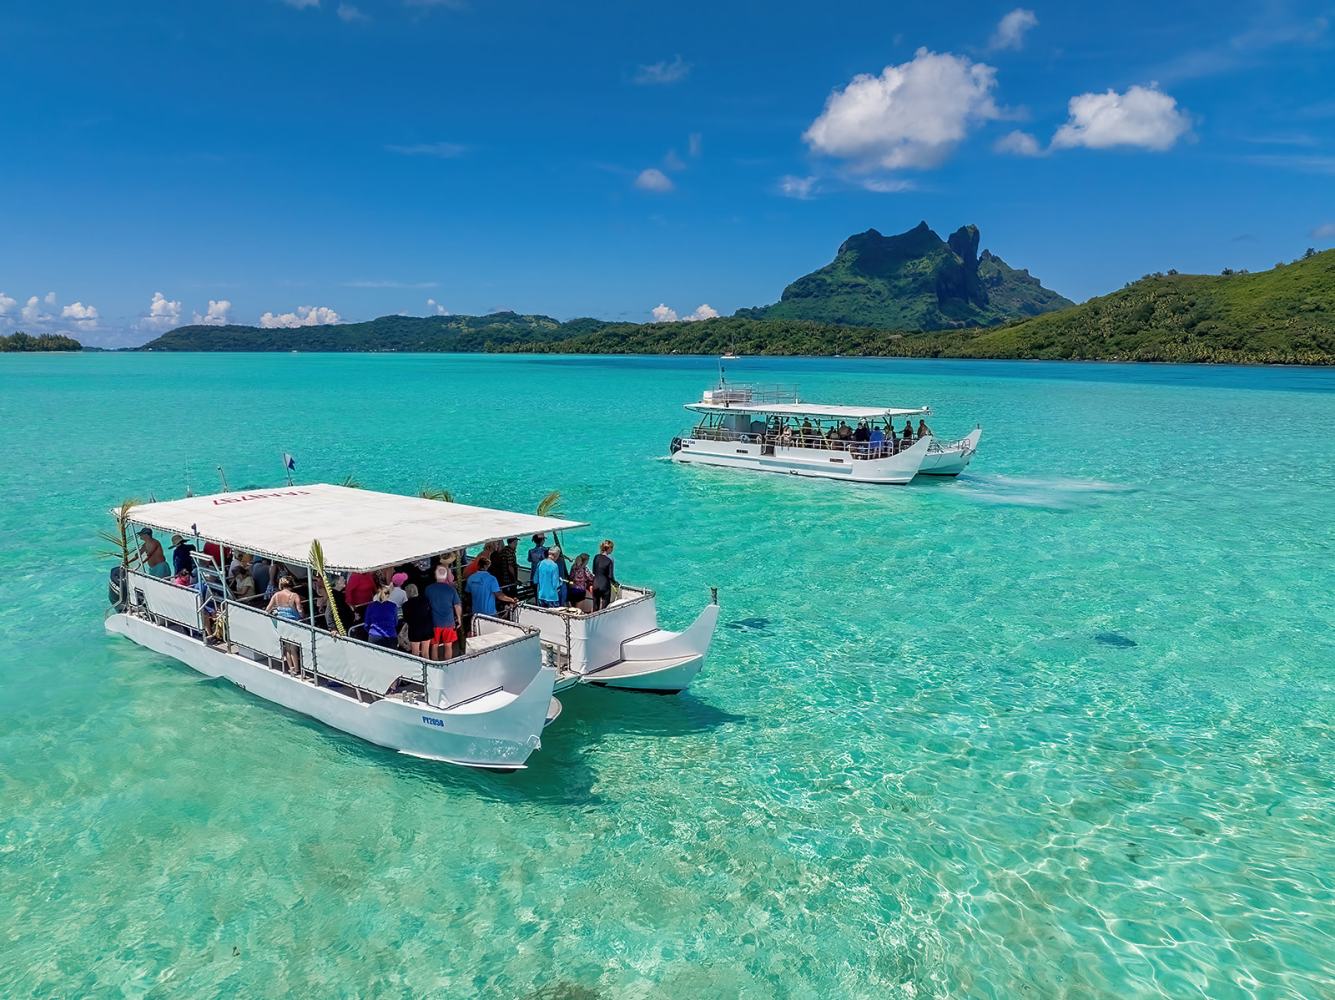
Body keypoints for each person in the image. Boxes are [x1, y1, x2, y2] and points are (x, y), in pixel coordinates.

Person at [425, 565, 462, 660]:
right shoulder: (451, 589)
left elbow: (426, 605)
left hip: (434, 622)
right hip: (449, 622)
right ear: (445, 576)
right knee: (448, 645)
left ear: (435, 575)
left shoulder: (429, 589)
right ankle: (447, 664)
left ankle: (435, 666)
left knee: (434, 646)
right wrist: (459, 618)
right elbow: (457, 606)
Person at [401, 583, 434, 658]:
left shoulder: (406, 605)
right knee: (425, 652)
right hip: (427, 628)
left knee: (415, 653)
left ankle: (417, 669)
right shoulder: (425, 600)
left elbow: (406, 619)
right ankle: (428, 668)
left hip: (415, 630)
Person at [364, 584, 400, 649]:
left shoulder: (370, 606)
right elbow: (395, 623)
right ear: (388, 595)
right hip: (390, 635)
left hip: (374, 635)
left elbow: (366, 624)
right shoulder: (393, 606)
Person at [592, 539, 618, 612]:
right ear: (608, 549)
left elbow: (594, 571)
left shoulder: (596, 557)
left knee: (595, 606)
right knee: (604, 608)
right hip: (605, 585)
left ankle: (593, 622)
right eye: (612, 548)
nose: (612, 550)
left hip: (596, 584)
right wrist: (615, 583)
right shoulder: (609, 561)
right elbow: (610, 576)